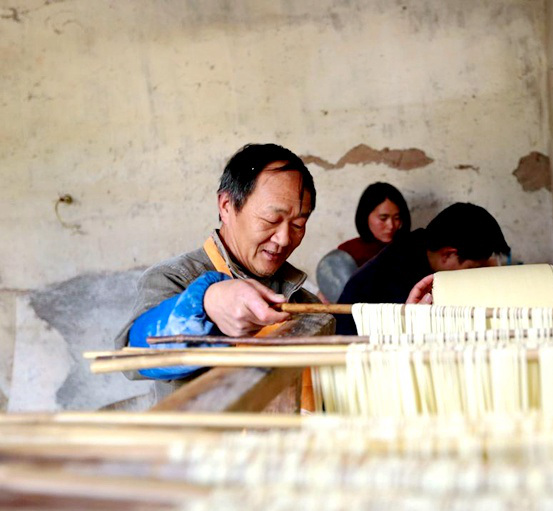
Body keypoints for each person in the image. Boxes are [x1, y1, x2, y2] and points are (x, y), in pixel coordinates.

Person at [114, 143, 321, 391]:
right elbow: (135, 354)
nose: (285, 238)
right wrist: (206, 305)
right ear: (226, 206)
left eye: (298, 224)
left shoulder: (303, 302)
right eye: (271, 219)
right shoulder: (174, 279)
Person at [334, 202, 510, 334]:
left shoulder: (420, 243)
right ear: (448, 254)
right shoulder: (395, 280)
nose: (474, 276)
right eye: (472, 269)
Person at [338, 182, 411, 267]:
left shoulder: (411, 249)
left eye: (397, 218)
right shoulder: (348, 253)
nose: (391, 226)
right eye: (383, 218)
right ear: (365, 216)